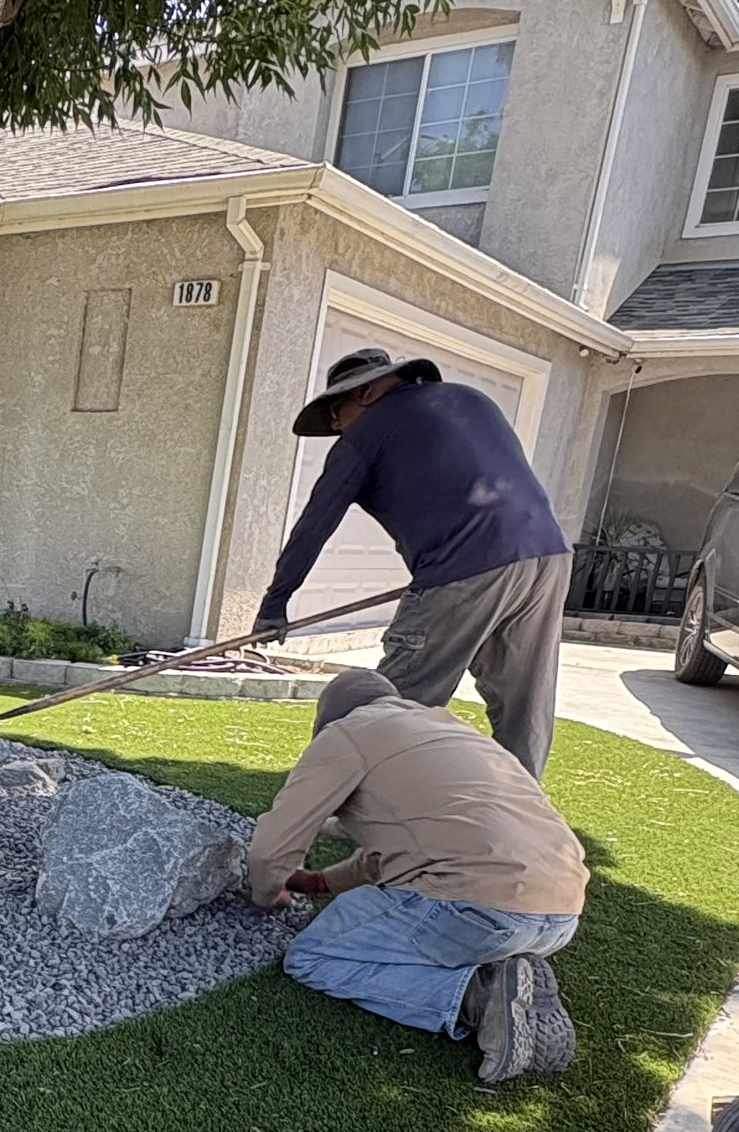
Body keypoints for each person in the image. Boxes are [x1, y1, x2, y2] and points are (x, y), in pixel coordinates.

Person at [250, 670, 587, 1083]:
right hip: (561, 916)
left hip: (478, 909)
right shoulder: (447, 728)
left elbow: (272, 845)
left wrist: (268, 893)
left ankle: (476, 998)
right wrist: (319, 881)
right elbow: (409, 846)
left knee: (313, 956)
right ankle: (506, 978)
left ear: (327, 721)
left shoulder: (346, 734)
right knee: (437, 901)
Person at [252, 346, 571, 778]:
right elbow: (458, 486)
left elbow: (314, 525)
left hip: (465, 563)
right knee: (524, 704)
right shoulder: (472, 400)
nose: (335, 424)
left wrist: (274, 605)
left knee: (394, 699)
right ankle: (520, 818)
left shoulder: (367, 430)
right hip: (549, 555)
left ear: (363, 392)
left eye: (335, 411)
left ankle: (332, 803)